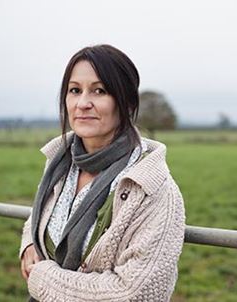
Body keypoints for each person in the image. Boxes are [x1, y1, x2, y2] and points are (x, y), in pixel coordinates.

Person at [19, 44, 185, 302]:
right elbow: (41, 215)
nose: (83, 103)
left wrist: (45, 278)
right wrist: (29, 242)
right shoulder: (60, 164)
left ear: (127, 102)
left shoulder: (151, 188)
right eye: (75, 90)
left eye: (99, 91)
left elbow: (136, 293)